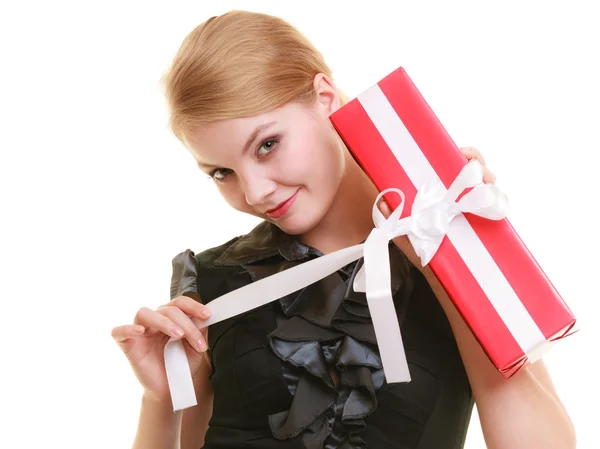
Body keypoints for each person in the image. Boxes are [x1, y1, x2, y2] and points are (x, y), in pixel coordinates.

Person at [111, 10, 575, 449]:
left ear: (326, 98)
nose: (254, 192)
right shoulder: (216, 282)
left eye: (267, 145)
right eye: (220, 172)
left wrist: (449, 253)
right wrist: (163, 400)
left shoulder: (444, 240)